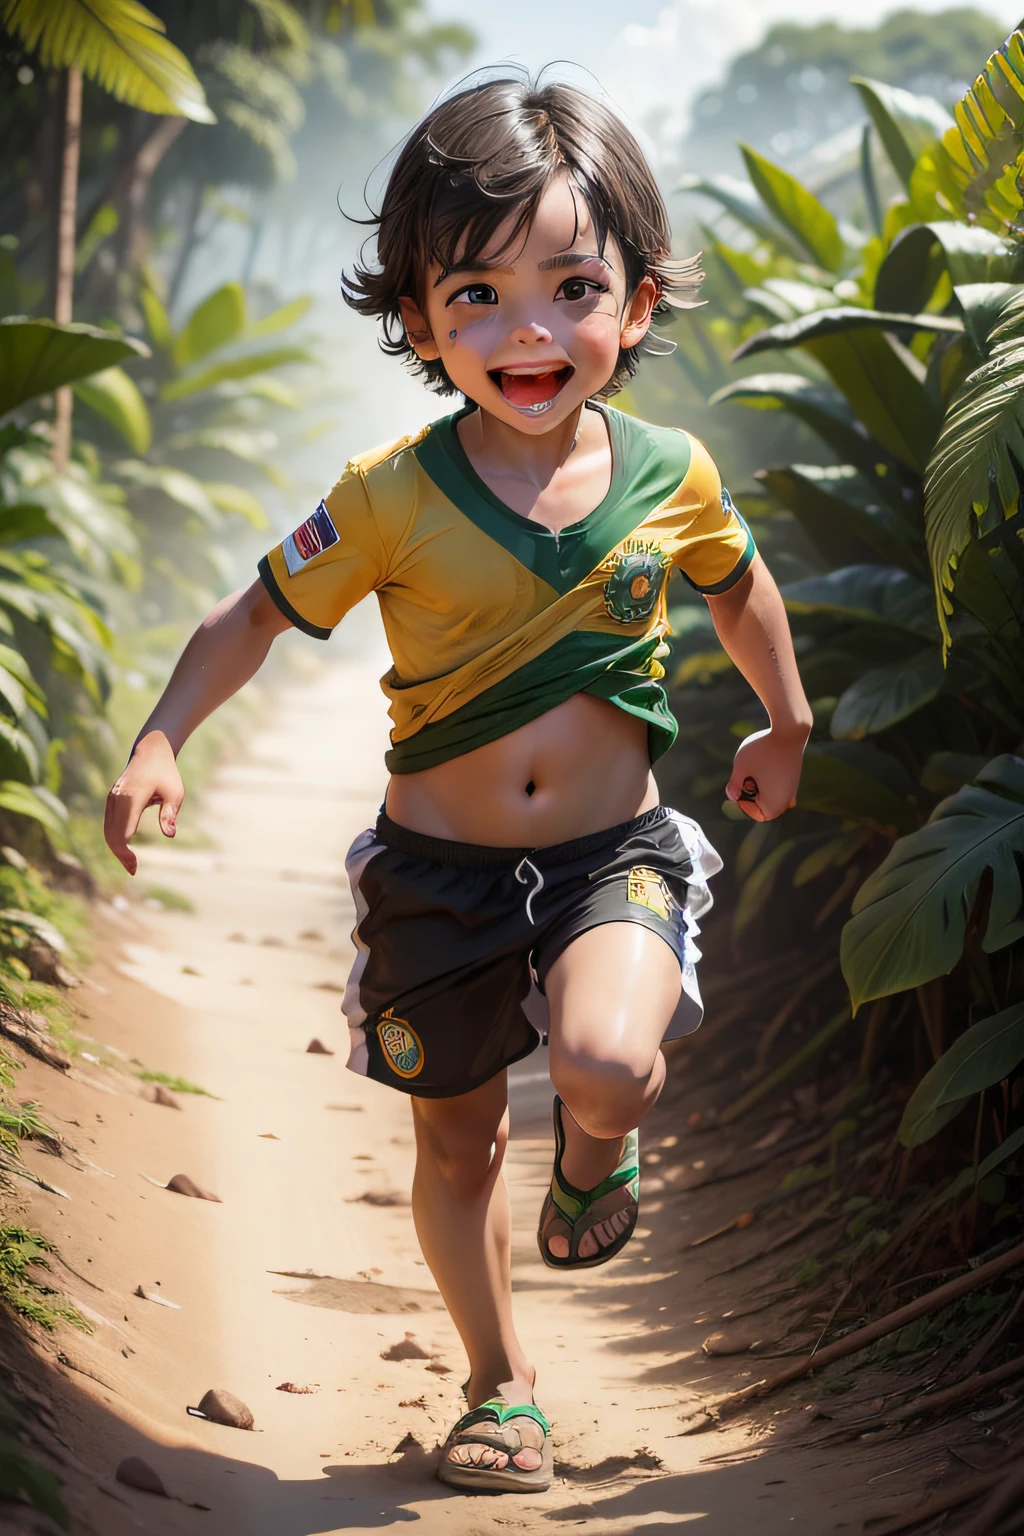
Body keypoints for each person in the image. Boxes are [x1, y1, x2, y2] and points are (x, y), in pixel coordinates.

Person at [104, 74, 812, 1495]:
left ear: (643, 300)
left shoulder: (671, 474)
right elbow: (249, 616)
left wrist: (784, 724)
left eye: (573, 286)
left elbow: (742, 594)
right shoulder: (386, 496)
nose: (529, 331)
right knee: (461, 1141)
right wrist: (163, 734)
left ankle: (598, 1158)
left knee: (610, 1068)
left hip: (616, 853)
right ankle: (500, 1385)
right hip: (437, 879)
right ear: (419, 319)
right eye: (477, 294)